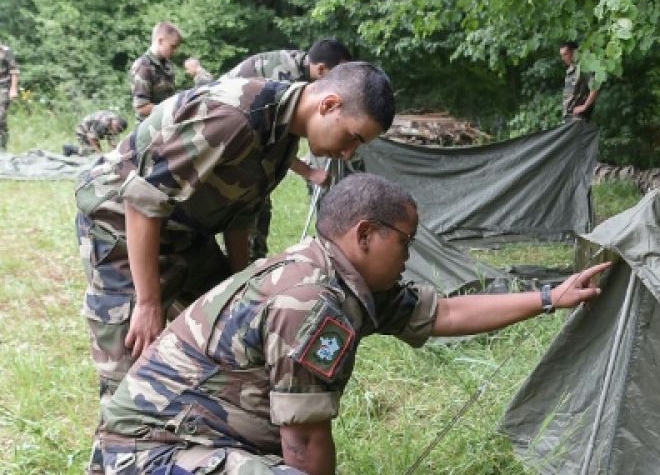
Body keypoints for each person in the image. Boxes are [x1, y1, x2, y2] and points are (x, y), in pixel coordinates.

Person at [96, 173, 611, 474]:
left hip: (200, 443)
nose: (408, 256)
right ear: (366, 234)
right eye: (404, 241)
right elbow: (304, 443)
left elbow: (446, 312)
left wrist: (550, 296)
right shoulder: (311, 302)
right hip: (150, 456)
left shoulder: (342, 276)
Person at [76, 62, 394, 473]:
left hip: (186, 231)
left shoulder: (283, 137)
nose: (349, 153)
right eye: (353, 138)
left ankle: (212, 439)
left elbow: (242, 213)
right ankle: (119, 457)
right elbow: (142, 200)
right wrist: (149, 301)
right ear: (329, 105)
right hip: (120, 225)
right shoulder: (234, 118)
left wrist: (238, 282)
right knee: (130, 354)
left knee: (232, 328)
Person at [223, 39, 353, 260]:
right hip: (229, 144)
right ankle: (241, 277)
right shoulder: (286, 81)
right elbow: (272, 141)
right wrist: (309, 172)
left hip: (246, 144)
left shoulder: (304, 70)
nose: (340, 85)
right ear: (321, 69)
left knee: (257, 212)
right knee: (248, 221)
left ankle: (248, 270)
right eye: (337, 77)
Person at [225, 38, 351, 83]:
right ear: (321, 69)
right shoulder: (287, 79)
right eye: (338, 74)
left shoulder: (302, 64)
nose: (341, 79)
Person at [129, 22, 183, 122]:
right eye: (173, 46)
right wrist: (172, 109)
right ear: (160, 41)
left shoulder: (166, 64)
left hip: (166, 124)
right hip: (149, 129)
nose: (175, 51)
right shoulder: (143, 66)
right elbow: (141, 108)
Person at [559, 41, 601, 122]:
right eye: (562, 55)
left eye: (565, 54)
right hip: (568, 118)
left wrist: (584, 106)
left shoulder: (583, 68)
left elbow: (596, 88)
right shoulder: (571, 70)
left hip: (579, 118)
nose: (563, 58)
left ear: (574, 52)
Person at [0, 42, 20, 151]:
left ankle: (3, 146)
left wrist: (13, 89)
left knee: (0, 116)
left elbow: (14, 71)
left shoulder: (6, 51)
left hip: (3, 87)